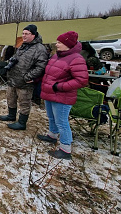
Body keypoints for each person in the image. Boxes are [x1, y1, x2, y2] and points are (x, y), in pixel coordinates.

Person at [38, 31, 89, 160]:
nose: (57, 44)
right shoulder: (57, 56)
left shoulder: (76, 59)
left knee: (62, 122)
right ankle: (52, 136)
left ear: (68, 44)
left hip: (62, 96)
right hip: (50, 93)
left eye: (60, 42)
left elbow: (81, 80)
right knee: (51, 117)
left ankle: (65, 149)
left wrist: (59, 86)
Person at [0, 24, 48, 130]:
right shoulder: (23, 45)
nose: (24, 36)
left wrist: (27, 77)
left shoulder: (40, 49)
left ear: (33, 35)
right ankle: (11, 116)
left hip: (25, 82)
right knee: (10, 98)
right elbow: (15, 58)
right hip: (13, 79)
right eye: (23, 33)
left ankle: (22, 123)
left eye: (27, 34)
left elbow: (41, 67)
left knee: (24, 102)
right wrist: (6, 65)